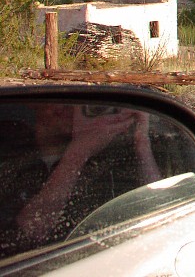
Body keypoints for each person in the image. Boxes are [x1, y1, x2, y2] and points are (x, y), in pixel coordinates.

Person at [0, 103, 161, 258]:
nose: (67, 107)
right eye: (58, 98)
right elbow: (22, 238)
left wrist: (142, 143)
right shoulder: (12, 159)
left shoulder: (107, 163)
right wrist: (78, 153)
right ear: (35, 103)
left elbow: (158, 215)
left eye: (89, 107)